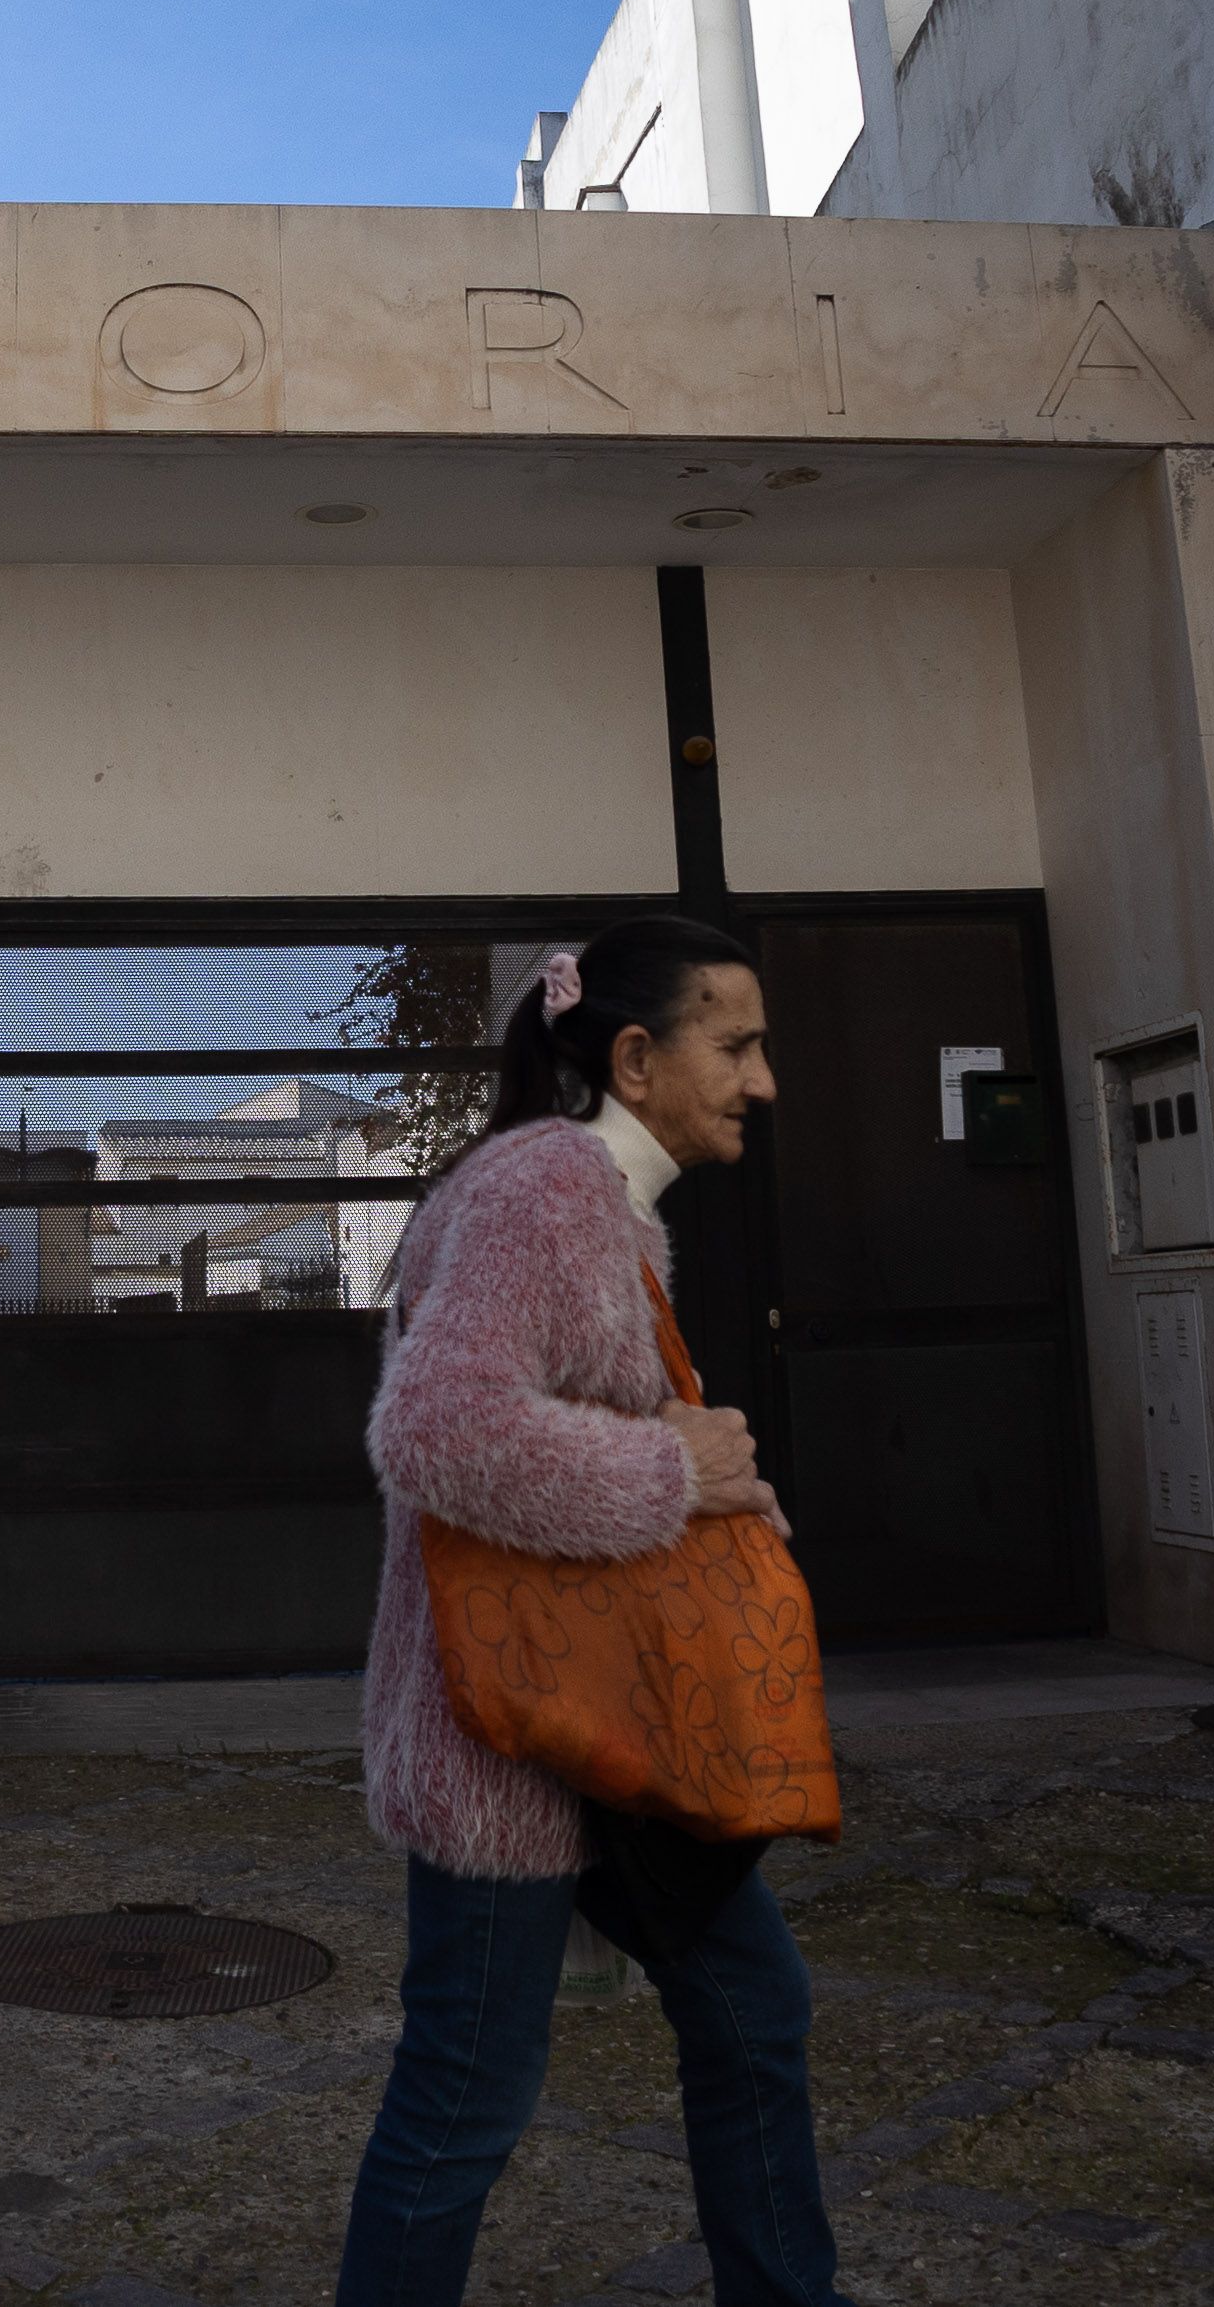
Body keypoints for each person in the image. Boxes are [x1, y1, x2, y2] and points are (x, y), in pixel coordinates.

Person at [336, 914, 857, 2307]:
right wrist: (670, 1467)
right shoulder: (549, 1186)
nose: (764, 1080)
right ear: (637, 1056)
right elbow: (438, 1432)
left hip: (605, 1743)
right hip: (510, 1751)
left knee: (756, 2013)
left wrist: (689, 1473)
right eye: (736, 1045)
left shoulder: (593, 1203)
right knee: (461, 2107)